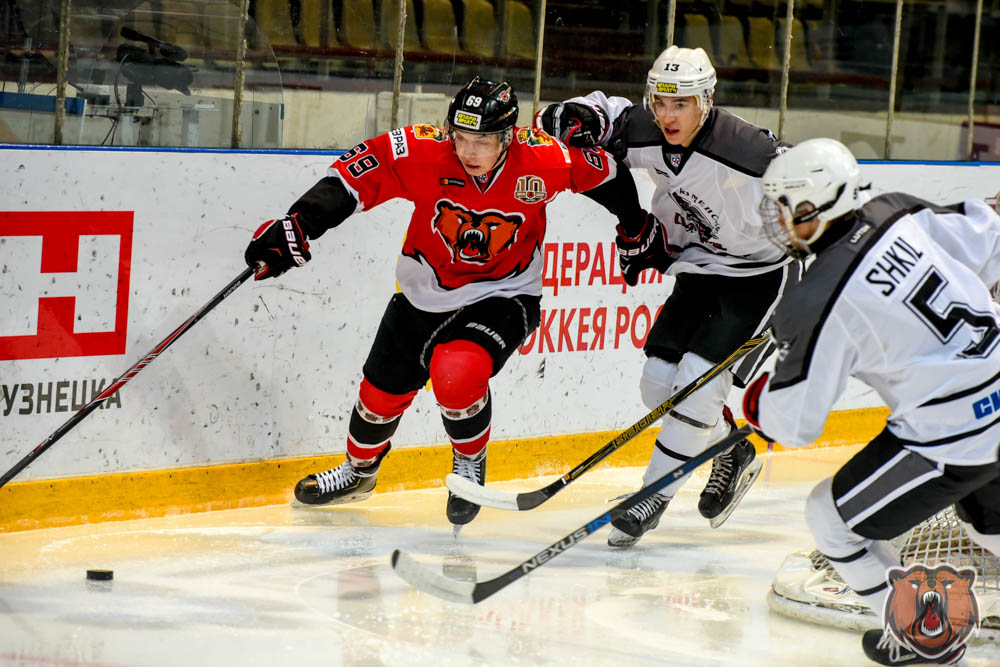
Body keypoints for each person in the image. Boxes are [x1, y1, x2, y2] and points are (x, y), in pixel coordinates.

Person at [244, 77, 651, 532]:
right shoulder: (423, 151)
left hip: (505, 293)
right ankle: (359, 472)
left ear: (508, 136)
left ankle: (469, 464)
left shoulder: (543, 157)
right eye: (461, 137)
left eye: (482, 140)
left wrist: (635, 228)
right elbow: (355, 175)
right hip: (422, 292)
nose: (469, 151)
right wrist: (299, 223)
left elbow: (608, 176)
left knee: (456, 371)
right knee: (378, 397)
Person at [744, 137, 1000, 665]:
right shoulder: (896, 209)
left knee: (829, 517)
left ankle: (926, 642)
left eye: (785, 207)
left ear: (815, 207)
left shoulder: (816, 297)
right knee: (985, 522)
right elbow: (990, 241)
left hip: (955, 433)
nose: (779, 219)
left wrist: (757, 406)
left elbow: (796, 425)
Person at [536, 45, 797, 547]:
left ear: (707, 100)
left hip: (762, 276)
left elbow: (818, 187)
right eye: (660, 102)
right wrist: (570, 118)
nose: (667, 115)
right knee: (657, 386)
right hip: (701, 268)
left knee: (698, 383)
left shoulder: (747, 150)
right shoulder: (650, 128)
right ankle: (730, 450)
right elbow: (593, 115)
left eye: (681, 104)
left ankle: (652, 494)